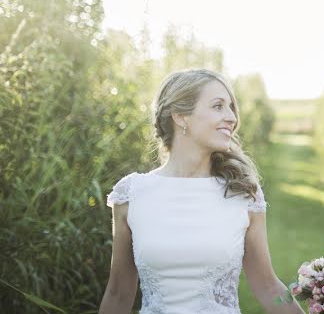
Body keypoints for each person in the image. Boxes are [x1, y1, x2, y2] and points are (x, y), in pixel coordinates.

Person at [99, 69, 301, 314]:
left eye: (231, 108)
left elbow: (269, 287)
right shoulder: (131, 194)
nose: (231, 118)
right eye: (218, 106)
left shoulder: (243, 193)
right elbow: (118, 293)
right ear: (181, 116)